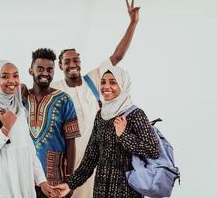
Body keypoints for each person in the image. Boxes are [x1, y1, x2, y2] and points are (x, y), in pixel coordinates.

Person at [51, 0, 140, 197]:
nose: (73, 64)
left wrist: (133, 23)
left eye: (76, 59)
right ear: (61, 66)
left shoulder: (94, 80)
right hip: (70, 161)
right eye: (67, 61)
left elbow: (117, 56)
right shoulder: (55, 89)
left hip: (98, 157)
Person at [53, 66, 160, 198]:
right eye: (103, 82)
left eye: (113, 82)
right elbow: (90, 158)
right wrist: (70, 184)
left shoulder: (135, 114)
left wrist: (124, 135)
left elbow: (153, 150)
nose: (106, 86)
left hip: (127, 191)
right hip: (101, 190)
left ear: (123, 84)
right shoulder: (101, 115)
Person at [0, 60, 58, 198]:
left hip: (24, 185)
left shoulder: (19, 110)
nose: (12, 80)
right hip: (3, 188)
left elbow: (29, 150)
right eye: (5, 76)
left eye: (15, 75)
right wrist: (5, 129)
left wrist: (41, 181)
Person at [23, 48, 81, 198]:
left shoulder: (64, 100)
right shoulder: (21, 99)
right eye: (40, 69)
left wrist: (70, 179)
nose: (45, 73)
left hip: (54, 179)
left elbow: (71, 142)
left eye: (50, 69)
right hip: (24, 178)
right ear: (31, 70)